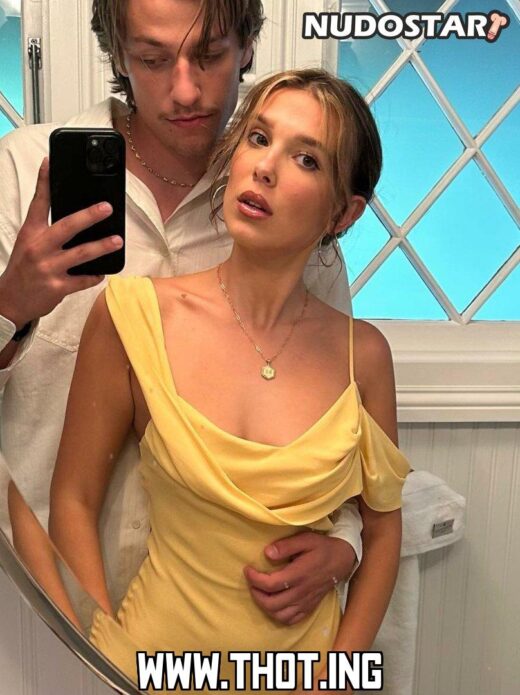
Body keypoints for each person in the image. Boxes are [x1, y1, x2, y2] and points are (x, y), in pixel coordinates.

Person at [49, 67, 410, 692]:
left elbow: (382, 531)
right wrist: (103, 654)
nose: (265, 168)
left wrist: (337, 676)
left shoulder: (364, 357)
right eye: (259, 138)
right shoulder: (133, 315)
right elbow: (73, 499)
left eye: (306, 159)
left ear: (343, 212)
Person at [0, 0, 361, 625]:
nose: (186, 90)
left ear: (248, 46)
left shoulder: (288, 212)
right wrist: (10, 305)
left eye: (211, 55)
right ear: (118, 54)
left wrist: (345, 546)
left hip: (223, 619)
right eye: (153, 59)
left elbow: (333, 428)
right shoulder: (24, 173)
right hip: (38, 601)